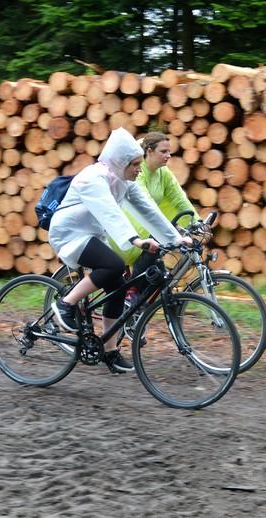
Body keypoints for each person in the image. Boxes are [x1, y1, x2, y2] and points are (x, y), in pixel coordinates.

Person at [48, 127, 190, 374]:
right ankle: (66, 304)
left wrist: (176, 239)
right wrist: (135, 240)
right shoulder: (93, 177)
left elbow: (149, 210)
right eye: (134, 164)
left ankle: (110, 351)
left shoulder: (125, 180)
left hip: (91, 235)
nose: (139, 169)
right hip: (69, 234)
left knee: (118, 286)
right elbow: (109, 212)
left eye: (139, 164)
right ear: (120, 162)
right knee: (113, 265)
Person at [111, 131, 199, 269]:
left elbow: (179, 198)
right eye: (163, 151)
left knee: (158, 275)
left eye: (169, 151)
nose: (168, 155)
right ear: (149, 151)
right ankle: (133, 286)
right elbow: (145, 203)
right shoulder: (137, 171)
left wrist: (197, 222)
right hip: (126, 232)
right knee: (150, 270)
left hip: (149, 230)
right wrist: (171, 230)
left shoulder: (163, 172)